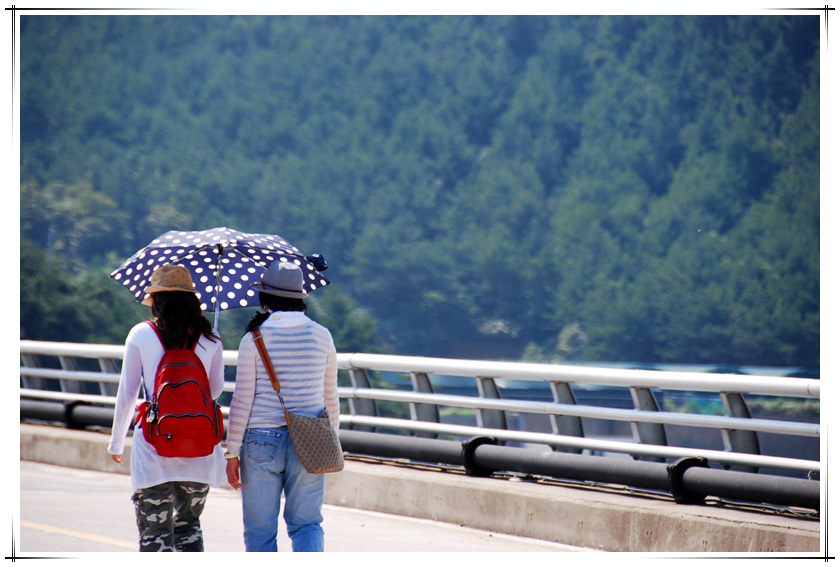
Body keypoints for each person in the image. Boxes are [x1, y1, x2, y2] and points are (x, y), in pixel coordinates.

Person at [108, 264, 226, 552]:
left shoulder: (141, 334)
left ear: (156, 299)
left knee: (155, 534)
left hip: (153, 445)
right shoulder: (211, 337)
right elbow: (215, 390)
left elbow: (128, 392)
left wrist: (116, 442)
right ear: (192, 300)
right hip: (198, 449)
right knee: (188, 529)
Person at [225, 260, 339, 552]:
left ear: (266, 299)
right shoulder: (322, 336)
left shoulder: (254, 339)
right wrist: (330, 441)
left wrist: (232, 451)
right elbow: (330, 398)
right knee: (307, 524)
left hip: (261, 440)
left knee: (260, 531)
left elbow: (242, 400)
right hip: (311, 438)